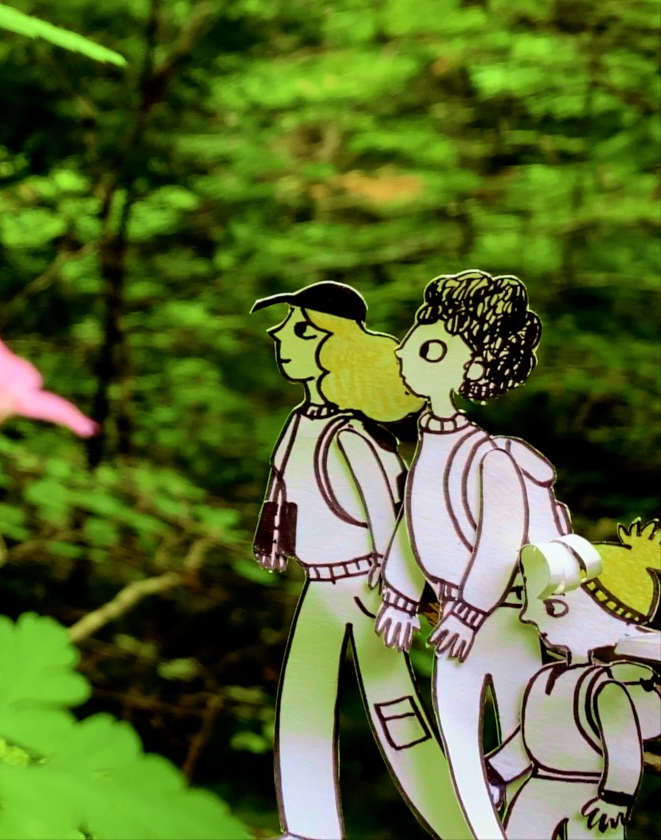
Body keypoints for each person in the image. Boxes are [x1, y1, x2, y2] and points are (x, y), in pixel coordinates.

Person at [250, 281, 470, 840]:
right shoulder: (302, 423)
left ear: (338, 349)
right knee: (301, 708)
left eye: (301, 328)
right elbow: (284, 489)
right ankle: (306, 827)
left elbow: (397, 514)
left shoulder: (354, 436)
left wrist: (411, 593)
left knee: (396, 715)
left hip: (367, 589)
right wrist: (274, 539)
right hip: (318, 589)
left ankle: (461, 825)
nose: (280, 335)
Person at [374, 270, 570, 840]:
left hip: (503, 620)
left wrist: (467, 612)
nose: (409, 353)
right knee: (461, 751)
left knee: (523, 741)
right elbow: (412, 531)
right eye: (414, 339)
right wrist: (399, 596)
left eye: (431, 348)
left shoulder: (492, 459)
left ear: (474, 369)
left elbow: (498, 547)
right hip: (453, 625)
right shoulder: (427, 449)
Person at [486, 524, 660, 839]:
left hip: (593, 798)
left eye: (554, 608)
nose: (528, 618)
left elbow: (623, 749)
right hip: (539, 786)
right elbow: (529, 736)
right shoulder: (543, 678)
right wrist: (495, 774)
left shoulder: (607, 689)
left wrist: (616, 798)